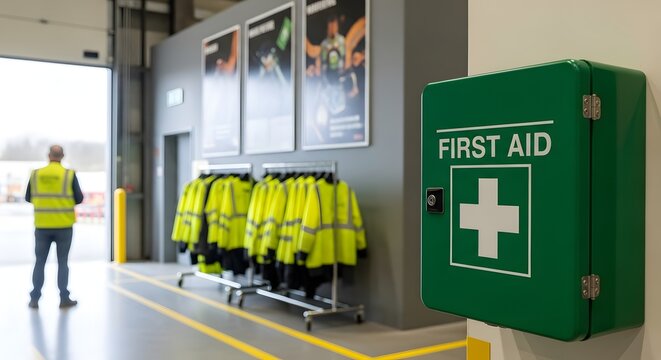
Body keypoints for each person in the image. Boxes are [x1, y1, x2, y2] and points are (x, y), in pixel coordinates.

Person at [25, 145, 83, 309]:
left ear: (48, 155)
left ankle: (35, 298)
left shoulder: (36, 174)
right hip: (64, 226)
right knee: (63, 262)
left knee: (40, 262)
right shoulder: (69, 175)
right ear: (62, 156)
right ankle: (64, 298)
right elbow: (79, 198)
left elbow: (28, 197)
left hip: (42, 226)